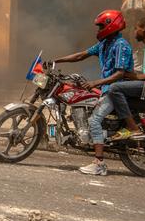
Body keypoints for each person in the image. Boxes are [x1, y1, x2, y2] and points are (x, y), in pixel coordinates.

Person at [51, 9, 134, 176]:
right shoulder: (105, 43)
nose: (98, 30)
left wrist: (95, 82)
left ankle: (99, 164)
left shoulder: (120, 45)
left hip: (117, 89)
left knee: (94, 120)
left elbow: (120, 74)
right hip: (107, 89)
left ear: (111, 26)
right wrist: (56, 60)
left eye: (101, 26)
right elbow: (81, 55)